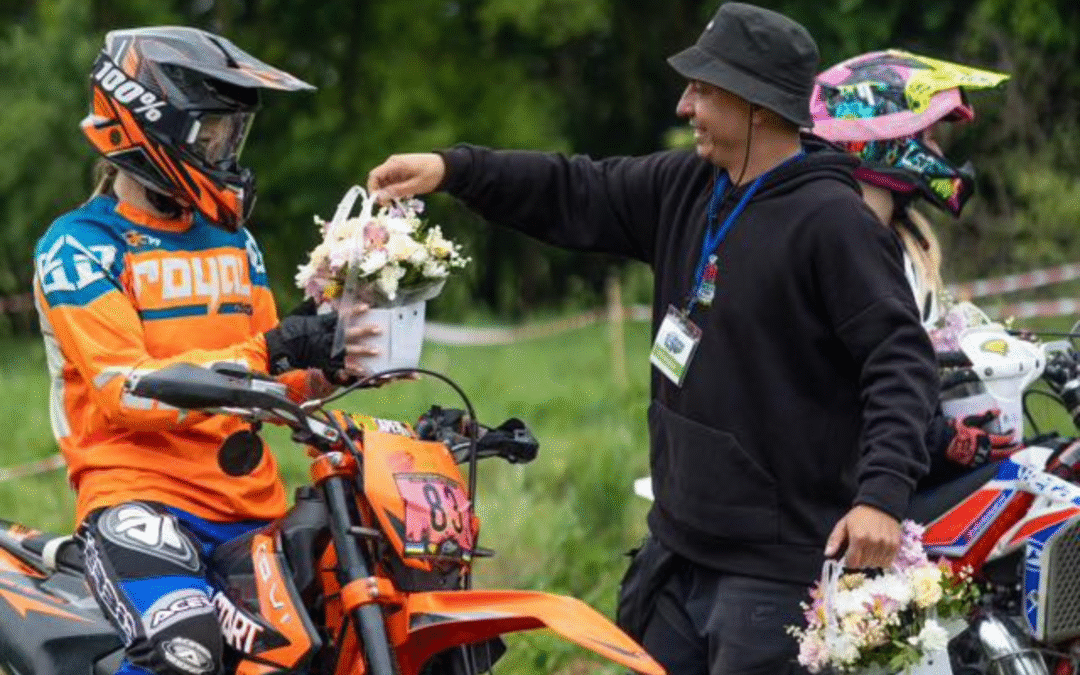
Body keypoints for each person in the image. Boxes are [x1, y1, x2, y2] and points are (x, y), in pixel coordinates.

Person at [366, 3, 938, 673]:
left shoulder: (833, 223)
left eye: (703, 89)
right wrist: (454, 168)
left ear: (756, 105)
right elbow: (571, 188)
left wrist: (880, 496)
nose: (684, 104)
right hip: (678, 553)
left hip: (773, 573)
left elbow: (900, 360)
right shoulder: (689, 185)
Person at [32, 27, 376, 675]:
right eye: (211, 133)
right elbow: (127, 389)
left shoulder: (233, 242)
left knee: (323, 644)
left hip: (249, 505)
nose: (225, 150)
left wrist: (332, 361)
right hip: (140, 499)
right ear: (152, 127)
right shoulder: (80, 245)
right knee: (183, 653)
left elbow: (272, 379)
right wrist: (271, 349)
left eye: (231, 135)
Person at [810, 50, 1017, 485]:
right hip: (841, 492)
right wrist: (940, 441)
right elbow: (842, 390)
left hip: (885, 468)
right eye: (930, 137)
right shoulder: (837, 248)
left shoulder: (904, 239)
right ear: (887, 140)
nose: (939, 151)